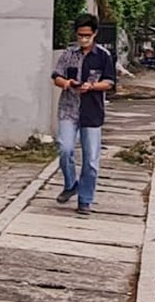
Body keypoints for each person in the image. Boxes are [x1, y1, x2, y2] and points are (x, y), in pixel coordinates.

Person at [51, 14, 117, 215]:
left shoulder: (103, 56)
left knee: (91, 159)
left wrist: (93, 86)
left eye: (87, 35)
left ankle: (85, 199)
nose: (83, 39)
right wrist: (69, 83)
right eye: (80, 35)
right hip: (68, 109)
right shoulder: (69, 54)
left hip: (92, 111)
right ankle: (71, 184)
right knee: (65, 148)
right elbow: (56, 76)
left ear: (94, 34)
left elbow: (110, 82)